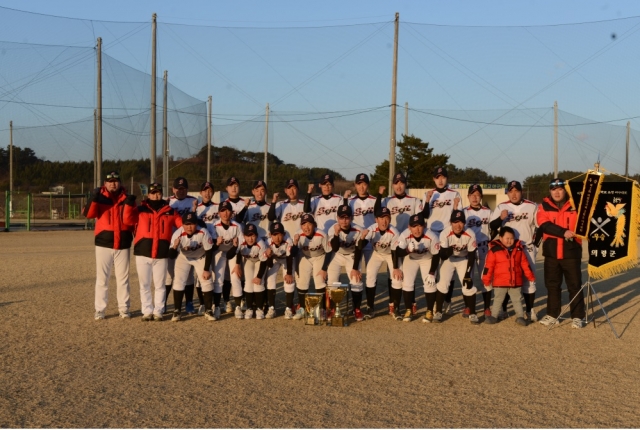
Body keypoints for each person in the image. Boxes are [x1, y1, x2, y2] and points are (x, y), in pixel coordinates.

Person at [84, 170, 137, 320]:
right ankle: (100, 309)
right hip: (104, 243)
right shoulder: (99, 198)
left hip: (123, 242)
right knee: (102, 279)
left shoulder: (127, 198)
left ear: (120, 183)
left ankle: (124, 308)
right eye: (110, 181)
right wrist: (93, 198)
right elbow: (88, 214)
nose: (113, 183)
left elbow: (133, 220)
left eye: (115, 181)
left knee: (123, 279)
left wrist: (131, 204)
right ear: (105, 184)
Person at [536, 178, 585, 329]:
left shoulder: (577, 204)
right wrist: (563, 232)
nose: (557, 192)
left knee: (574, 285)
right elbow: (544, 224)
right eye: (553, 189)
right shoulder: (544, 206)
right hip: (551, 252)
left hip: (571, 252)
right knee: (552, 285)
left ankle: (577, 317)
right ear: (550, 191)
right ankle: (552, 314)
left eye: (560, 189)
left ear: (565, 190)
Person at [132, 182, 182, 321]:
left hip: (161, 252)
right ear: (148, 194)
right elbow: (128, 219)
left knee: (160, 285)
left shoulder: (170, 211)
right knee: (144, 284)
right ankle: (147, 311)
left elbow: (182, 227)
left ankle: (158, 311)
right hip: (143, 251)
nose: (156, 195)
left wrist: (175, 242)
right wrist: (129, 205)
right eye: (153, 192)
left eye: (158, 192)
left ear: (162, 194)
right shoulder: (140, 209)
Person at [489, 180, 538, 321]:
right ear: (508, 193)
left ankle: (529, 310)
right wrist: (501, 218)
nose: (514, 194)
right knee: (505, 279)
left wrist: (536, 245)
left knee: (530, 280)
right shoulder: (502, 206)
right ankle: (503, 310)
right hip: (507, 249)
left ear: (521, 192)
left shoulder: (531, 206)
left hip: (526, 247)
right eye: (511, 191)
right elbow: (492, 226)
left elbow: (539, 226)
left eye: (516, 191)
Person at [374, 172, 421, 312]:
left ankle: (411, 301)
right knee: (392, 273)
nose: (399, 186)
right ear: (392, 185)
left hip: (408, 241)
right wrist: (379, 195)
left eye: (401, 183)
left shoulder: (414, 201)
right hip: (392, 241)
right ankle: (392, 302)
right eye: (396, 183)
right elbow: (377, 212)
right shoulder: (387, 201)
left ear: (405, 184)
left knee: (408, 274)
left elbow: (420, 217)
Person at [422, 166, 461, 315]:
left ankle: (447, 300)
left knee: (448, 270)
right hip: (432, 234)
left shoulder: (454, 194)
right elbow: (424, 215)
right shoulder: (429, 193)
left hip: (447, 234)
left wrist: (456, 208)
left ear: (447, 178)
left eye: (443, 177)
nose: (440, 180)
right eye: (437, 177)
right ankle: (433, 303)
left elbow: (458, 217)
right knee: (433, 270)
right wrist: (427, 200)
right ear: (433, 179)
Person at [168, 212, 217, 322]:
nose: (189, 227)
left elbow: (209, 251)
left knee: (206, 280)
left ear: (196, 224)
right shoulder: (177, 234)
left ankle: (208, 310)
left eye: (192, 224)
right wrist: (175, 247)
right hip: (184, 257)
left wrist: (206, 270)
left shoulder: (203, 232)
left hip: (200, 256)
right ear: (182, 224)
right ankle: (177, 310)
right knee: (179, 281)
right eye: (187, 224)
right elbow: (171, 256)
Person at [482, 227, 536, 326]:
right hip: (500, 282)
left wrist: (530, 276)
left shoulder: (519, 249)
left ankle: (520, 316)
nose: (509, 240)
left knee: (517, 300)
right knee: (498, 299)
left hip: (515, 281)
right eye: (507, 238)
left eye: (512, 238)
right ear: (501, 238)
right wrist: (486, 279)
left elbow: (525, 264)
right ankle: (494, 316)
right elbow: (488, 267)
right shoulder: (494, 250)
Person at [434, 210, 478, 324]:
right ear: (450, 223)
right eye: (455, 222)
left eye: (461, 222)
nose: (458, 225)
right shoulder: (445, 233)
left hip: (463, 259)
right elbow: (443, 256)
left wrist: (468, 273)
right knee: (443, 284)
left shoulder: (470, 233)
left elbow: (472, 255)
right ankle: (438, 311)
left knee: (467, 285)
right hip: (449, 259)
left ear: (464, 223)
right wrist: (446, 251)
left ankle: (473, 313)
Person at [395, 213, 440, 323]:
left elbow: (436, 255)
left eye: (419, 225)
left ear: (424, 225)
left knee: (430, 283)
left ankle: (429, 311)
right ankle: (408, 310)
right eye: (414, 226)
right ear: (409, 227)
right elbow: (397, 252)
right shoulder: (404, 235)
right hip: (411, 258)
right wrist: (407, 251)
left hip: (427, 259)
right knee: (407, 283)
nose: (417, 229)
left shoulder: (432, 236)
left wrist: (432, 272)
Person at [327, 204, 366, 321]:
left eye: (347, 217)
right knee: (332, 282)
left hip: (352, 255)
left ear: (351, 218)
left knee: (356, 281)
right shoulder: (332, 229)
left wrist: (355, 268)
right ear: (337, 218)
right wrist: (336, 234)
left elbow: (359, 249)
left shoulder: (358, 229)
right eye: (341, 217)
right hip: (337, 255)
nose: (344, 221)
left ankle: (357, 309)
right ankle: (333, 309)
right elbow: (334, 248)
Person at [362, 207, 402, 319]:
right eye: (381, 218)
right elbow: (362, 245)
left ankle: (396, 308)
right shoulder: (371, 229)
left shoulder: (394, 231)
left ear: (390, 219)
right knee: (370, 274)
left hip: (391, 254)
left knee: (397, 277)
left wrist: (396, 268)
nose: (384, 221)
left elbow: (394, 251)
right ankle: (370, 307)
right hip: (377, 253)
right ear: (376, 219)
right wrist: (362, 238)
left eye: (387, 218)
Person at [166, 177, 199, 315]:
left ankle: (190, 303)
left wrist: (196, 210)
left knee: (188, 275)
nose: (181, 191)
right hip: (171, 241)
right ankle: (163, 302)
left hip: (187, 242)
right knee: (169, 275)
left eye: (184, 189)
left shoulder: (193, 200)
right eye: (178, 189)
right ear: (173, 189)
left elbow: (198, 220)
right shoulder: (168, 201)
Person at [293, 214, 332, 320]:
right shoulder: (298, 235)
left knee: (319, 281)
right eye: (303, 224)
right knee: (302, 282)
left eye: (309, 224)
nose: (306, 227)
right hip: (305, 257)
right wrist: (295, 243)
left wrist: (324, 269)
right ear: (301, 226)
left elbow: (328, 252)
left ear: (314, 225)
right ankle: (302, 308)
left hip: (319, 256)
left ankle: (322, 309)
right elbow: (293, 253)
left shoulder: (322, 234)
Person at [463, 184, 493, 319]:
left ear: (481, 196)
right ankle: (468, 306)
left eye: (477, 195)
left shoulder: (488, 212)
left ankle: (487, 307)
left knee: (485, 278)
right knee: (468, 277)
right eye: (472, 195)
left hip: (483, 247)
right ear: (468, 196)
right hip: (468, 249)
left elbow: (495, 229)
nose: (474, 197)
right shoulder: (463, 212)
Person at [211, 201, 244, 318]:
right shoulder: (214, 226)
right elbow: (212, 247)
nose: (225, 213)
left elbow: (240, 247)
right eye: (222, 210)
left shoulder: (237, 226)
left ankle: (238, 307)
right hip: (219, 253)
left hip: (233, 252)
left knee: (235, 278)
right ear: (219, 213)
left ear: (232, 212)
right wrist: (216, 243)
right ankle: (217, 306)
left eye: (228, 210)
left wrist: (238, 264)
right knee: (218, 280)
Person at [258, 222, 296, 319]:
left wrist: (289, 274)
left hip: (287, 259)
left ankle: (288, 309)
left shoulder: (288, 240)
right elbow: (269, 264)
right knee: (270, 279)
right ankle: (272, 308)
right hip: (274, 259)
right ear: (270, 235)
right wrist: (269, 256)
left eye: (279, 234)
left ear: (283, 234)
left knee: (289, 280)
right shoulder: (267, 243)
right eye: (274, 234)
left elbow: (289, 258)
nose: (277, 237)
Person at [237, 223, 268, 319]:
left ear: (257, 236)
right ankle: (249, 308)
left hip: (259, 261)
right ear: (244, 236)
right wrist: (237, 265)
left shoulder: (261, 244)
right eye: (248, 236)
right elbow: (237, 253)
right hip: (249, 260)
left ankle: (259, 309)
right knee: (248, 283)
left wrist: (259, 276)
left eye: (253, 235)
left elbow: (264, 261)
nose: (250, 238)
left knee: (259, 283)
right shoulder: (241, 241)